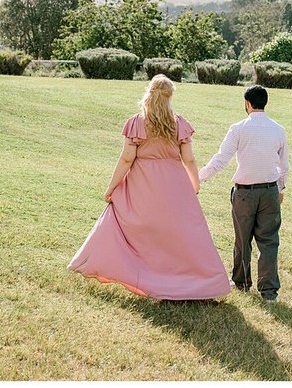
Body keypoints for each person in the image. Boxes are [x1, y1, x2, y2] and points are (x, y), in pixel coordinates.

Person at [67, 74, 231, 300]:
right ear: (170, 97)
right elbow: (189, 160)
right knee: (185, 234)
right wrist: (194, 184)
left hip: (142, 182)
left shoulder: (137, 122)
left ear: (149, 93)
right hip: (175, 185)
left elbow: (126, 159)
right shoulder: (178, 123)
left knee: (122, 219)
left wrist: (112, 187)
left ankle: (129, 270)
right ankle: (198, 282)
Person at [198, 84, 289, 302]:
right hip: (269, 191)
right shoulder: (278, 130)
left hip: (245, 193)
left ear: (247, 104)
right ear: (265, 103)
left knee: (242, 239)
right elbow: (284, 166)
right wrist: (281, 188)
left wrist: (198, 178)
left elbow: (221, 159)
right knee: (269, 241)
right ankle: (269, 292)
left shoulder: (238, 128)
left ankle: (241, 282)